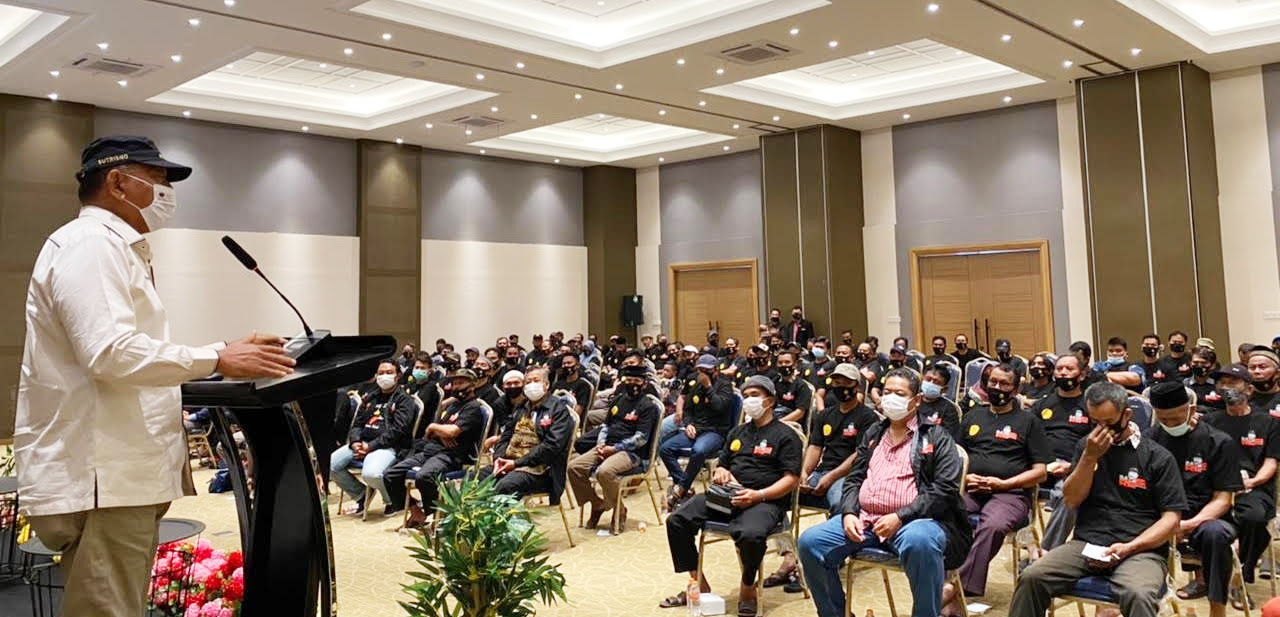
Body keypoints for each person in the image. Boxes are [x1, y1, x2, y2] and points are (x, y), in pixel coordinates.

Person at [15, 135, 297, 617]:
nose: (167, 192)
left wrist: (220, 353)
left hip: (114, 475)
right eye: (158, 179)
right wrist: (217, 359)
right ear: (117, 182)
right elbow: (110, 353)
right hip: (103, 476)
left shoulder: (111, 246)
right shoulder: (92, 246)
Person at [798, 368, 972, 617]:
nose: (891, 398)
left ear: (916, 400)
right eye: (887, 392)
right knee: (810, 542)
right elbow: (854, 478)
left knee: (920, 542)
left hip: (916, 521)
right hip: (866, 520)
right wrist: (849, 512)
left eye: (899, 394)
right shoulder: (874, 433)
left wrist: (900, 516)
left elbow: (945, 489)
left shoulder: (936, 437)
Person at [1010, 382, 1186, 617]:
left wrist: (1129, 548)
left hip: (1140, 550)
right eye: (1095, 423)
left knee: (1138, 594)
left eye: (1109, 423)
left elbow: (1171, 520)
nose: (1101, 430)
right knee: (1031, 577)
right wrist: (1089, 457)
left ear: (1126, 415)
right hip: (1087, 545)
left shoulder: (1158, 457)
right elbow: (1071, 500)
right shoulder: (1086, 447)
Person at [659, 376, 802, 617]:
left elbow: (791, 479)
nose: (749, 400)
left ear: (769, 401)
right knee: (677, 520)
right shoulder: (738, 432)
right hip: (729, 496)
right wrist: (722, 471)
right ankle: (698, 582)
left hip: (765, 500)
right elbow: (722, 464)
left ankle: (748, 587)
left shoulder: (785, 435)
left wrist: (758, 495)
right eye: (746, 396)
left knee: (750, 534)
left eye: (755, 395)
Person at [949, 363, 1049, 606]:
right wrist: (966, 478)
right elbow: (954, 458)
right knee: (944, 514)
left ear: (1015, 389)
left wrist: (1004, 484)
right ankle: (944, 580)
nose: (997, 387)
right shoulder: (972, 417)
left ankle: (957, 589)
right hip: (971, 489)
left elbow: (1041, 472)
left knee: (993, 526)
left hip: (1011, 493)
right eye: (993, 382)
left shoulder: (1029, 421)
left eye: (1004, 383)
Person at [1145, 382, 1242, 617]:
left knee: (1216, 535)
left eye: (1175, 418)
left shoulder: (1218, 441)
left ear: (1191, 410)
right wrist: (1166, 524)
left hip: (1204, 516)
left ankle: (1217, 608)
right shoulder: (1149, 440)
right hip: (1159, 514)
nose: (1170, 424)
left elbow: (1223, 499)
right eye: (1163, 419)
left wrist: (1186, 525)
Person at [1202, 363, 1279, 595]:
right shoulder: (1209, 422)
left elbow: (1271, 463)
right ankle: (1210, 577)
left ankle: (1241, 574)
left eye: (1233, 382)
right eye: (1222, 383)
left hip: (1254, 487)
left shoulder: (1269, 423)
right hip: (1218, 487)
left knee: (1255, 518)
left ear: (1249, 389)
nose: (1227, 387)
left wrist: (1252, 482)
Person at [383, 368, 487, 522]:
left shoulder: (473, 407)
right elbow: (430, 433)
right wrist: (439, 432)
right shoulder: (452, 406)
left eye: (461, 383)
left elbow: (452, 431)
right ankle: (416, 511)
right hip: (430, 450)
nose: (456, 386)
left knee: (424, 476)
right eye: (454, 383)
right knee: (390, 475)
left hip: (452, 455)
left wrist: (435, 428)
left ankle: (436, 515)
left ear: (472, 385)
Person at [569, 365, 660, 531]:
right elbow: (605, 426)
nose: (632, 384)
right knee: (574, 468)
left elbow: (641, 439)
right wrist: (601, 444)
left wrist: (615, 448)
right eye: (628, 380)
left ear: (644, 384)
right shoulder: (618, 400)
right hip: (607, 445)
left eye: (637, 381)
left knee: (604, 472)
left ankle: (619, 509)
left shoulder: (647, 406)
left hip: (631, 453)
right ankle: (597, 504)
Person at [330, 361, 416, 516]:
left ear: (398, 376)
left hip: (388, 446)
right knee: (330, 465)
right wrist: (355, 442)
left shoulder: (404, 400)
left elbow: (398, 430)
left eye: (389, 372)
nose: (384, 376)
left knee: (371, 474)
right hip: (363, 443)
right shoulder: (370, 397)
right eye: (381, 373)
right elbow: (357, 424)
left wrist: (371, 446)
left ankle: (392, 500)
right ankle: (361, 494)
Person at [478, 367, 575, 502]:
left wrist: (516, 463)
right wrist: (498, 459)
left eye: (536, 380)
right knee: (475, 478)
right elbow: (506, 436)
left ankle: (497, 516)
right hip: (511, 461)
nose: (532, 385)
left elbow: (551, 447)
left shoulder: (558, 410)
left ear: (546, 385)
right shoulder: (522, 407)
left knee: (505, 486)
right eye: (528, 382)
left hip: (542, 470)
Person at [1032, 353, 1094, 549]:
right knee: (1016, 488)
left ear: (1081, 375)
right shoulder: (1042, 404)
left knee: (1066, 495)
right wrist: (1041, 463)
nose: (1063, 373)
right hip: (1042, 465)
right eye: (1059, 369)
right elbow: (1029, 439)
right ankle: (1030, 545)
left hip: (1074, 466)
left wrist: (1072, 466)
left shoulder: (1091, 406)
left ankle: (1047, 551)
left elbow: (1096, 444)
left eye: (1069, 369)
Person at [661, 354, 736, 509]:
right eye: (700, 370)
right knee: (665, 449)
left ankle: (680, 490)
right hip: (696, 429)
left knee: (698, 450)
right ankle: (685, 487)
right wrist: (689, 424)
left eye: (707, 370)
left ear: (715, 370)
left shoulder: (724, 385)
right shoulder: (694, 383)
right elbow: (688, 410)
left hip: (716, 431)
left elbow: (720, 407)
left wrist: (708, 387)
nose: (703, 374)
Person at [918, 366, 961, 439]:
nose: (931, 383)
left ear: (944, 389)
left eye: (936, 382)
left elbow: (949, 436)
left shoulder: (949, 409)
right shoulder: (913, 400)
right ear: (922, 380)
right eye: (928, 379)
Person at [773, 350, 813, 426]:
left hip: (791, 423)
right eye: (780, 362)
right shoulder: (774, 382)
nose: (783, 365)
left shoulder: (801, 385)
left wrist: (778, 423)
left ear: (795, 364)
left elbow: (800, 413)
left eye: (787, 362)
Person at [552, 353, 593, 418]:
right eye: (564, 363)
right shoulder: (558, 384)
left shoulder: (583, 385)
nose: (566, 365)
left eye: (569, 363)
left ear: (578, 365)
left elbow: (577, 413)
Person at [1187, 347, 1223, 413]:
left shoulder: (1220, 384)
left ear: (1212, 365)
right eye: (1195, 362)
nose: (1199, 365)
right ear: (1190, 363)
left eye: (1203, 363)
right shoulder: (1185, 384)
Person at [1247, 348, 1280, 418]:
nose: (1256, 371)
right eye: (1252, 367)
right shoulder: (1243, 398)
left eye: (1262, 367)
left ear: (1277, 373)